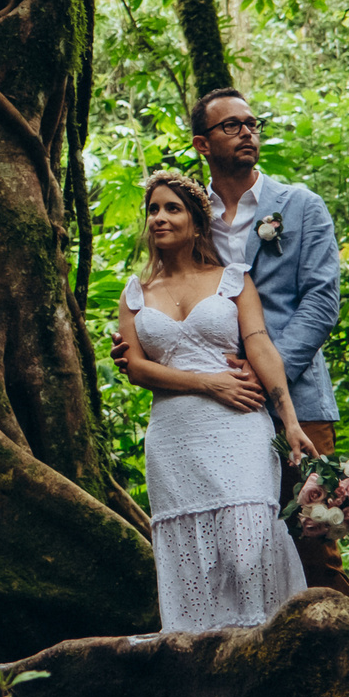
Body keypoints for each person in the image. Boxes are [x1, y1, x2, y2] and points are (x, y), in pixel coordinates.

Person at [112, 168, 316, 632]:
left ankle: (263, 640)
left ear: (198, 223)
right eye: (152, 210)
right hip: (173, 433)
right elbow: (138, 368)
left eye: (171, 208)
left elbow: (260, 346)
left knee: (247, 541)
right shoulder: (136, 294)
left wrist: (289, 419)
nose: (159, 218)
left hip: (239, 426)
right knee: (190, 544)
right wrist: (209, 383)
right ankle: (199, 646)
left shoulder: (232, 280)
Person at [190, 85, 349, 596]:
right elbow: (175, 291)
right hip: (221, 402)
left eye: (252, 123)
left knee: (313, 538)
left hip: (299, 399)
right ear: (202, 144)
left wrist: (269, 371)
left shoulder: (299, 205)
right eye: (232, 126)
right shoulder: (193, 215)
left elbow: (322, 303)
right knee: (240, 544)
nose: (247, 133)